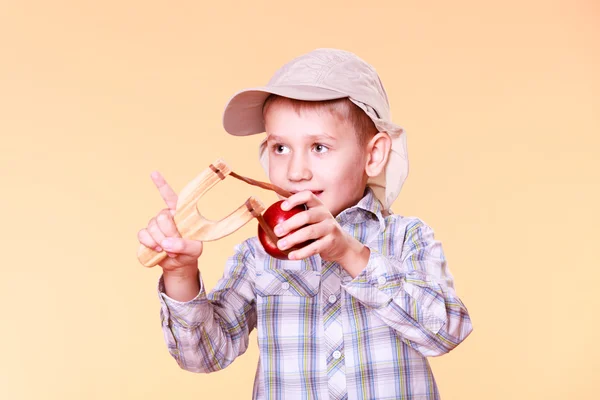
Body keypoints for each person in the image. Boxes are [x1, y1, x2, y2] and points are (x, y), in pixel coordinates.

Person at [137, 48, 473, 399]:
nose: (296, 172)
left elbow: (445, 331)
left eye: (319, 147)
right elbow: (204, 356)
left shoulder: (407, 238)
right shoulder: (257, 254)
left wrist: (351, 254)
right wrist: (180, 274)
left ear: (372, 155)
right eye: (281, 148)